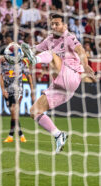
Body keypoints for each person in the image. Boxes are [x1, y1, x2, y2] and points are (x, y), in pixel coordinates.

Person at [21, 14, 95, 153]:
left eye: (57, 24)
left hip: (72, 75)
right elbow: (35, 49)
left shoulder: (69, 37)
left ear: (64, 26)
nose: (54, 27)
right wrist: (20, 54)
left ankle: (33, 61)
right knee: (34, 111)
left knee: (51, 55)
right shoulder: (49, 39)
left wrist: (85, 65)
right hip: (60, 85)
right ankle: (58, 135)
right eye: (52, 24)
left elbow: (81, 51)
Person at [0, 42, 34, 143]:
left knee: (14, 110)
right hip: (7, 90)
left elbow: (29, 76)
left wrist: (32, 91)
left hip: (18, 90)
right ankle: (21, 134)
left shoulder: (22, 63)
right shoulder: (3, 62)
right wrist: (2, 89)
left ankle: (10, 135)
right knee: (13, 113)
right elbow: (0, 76)